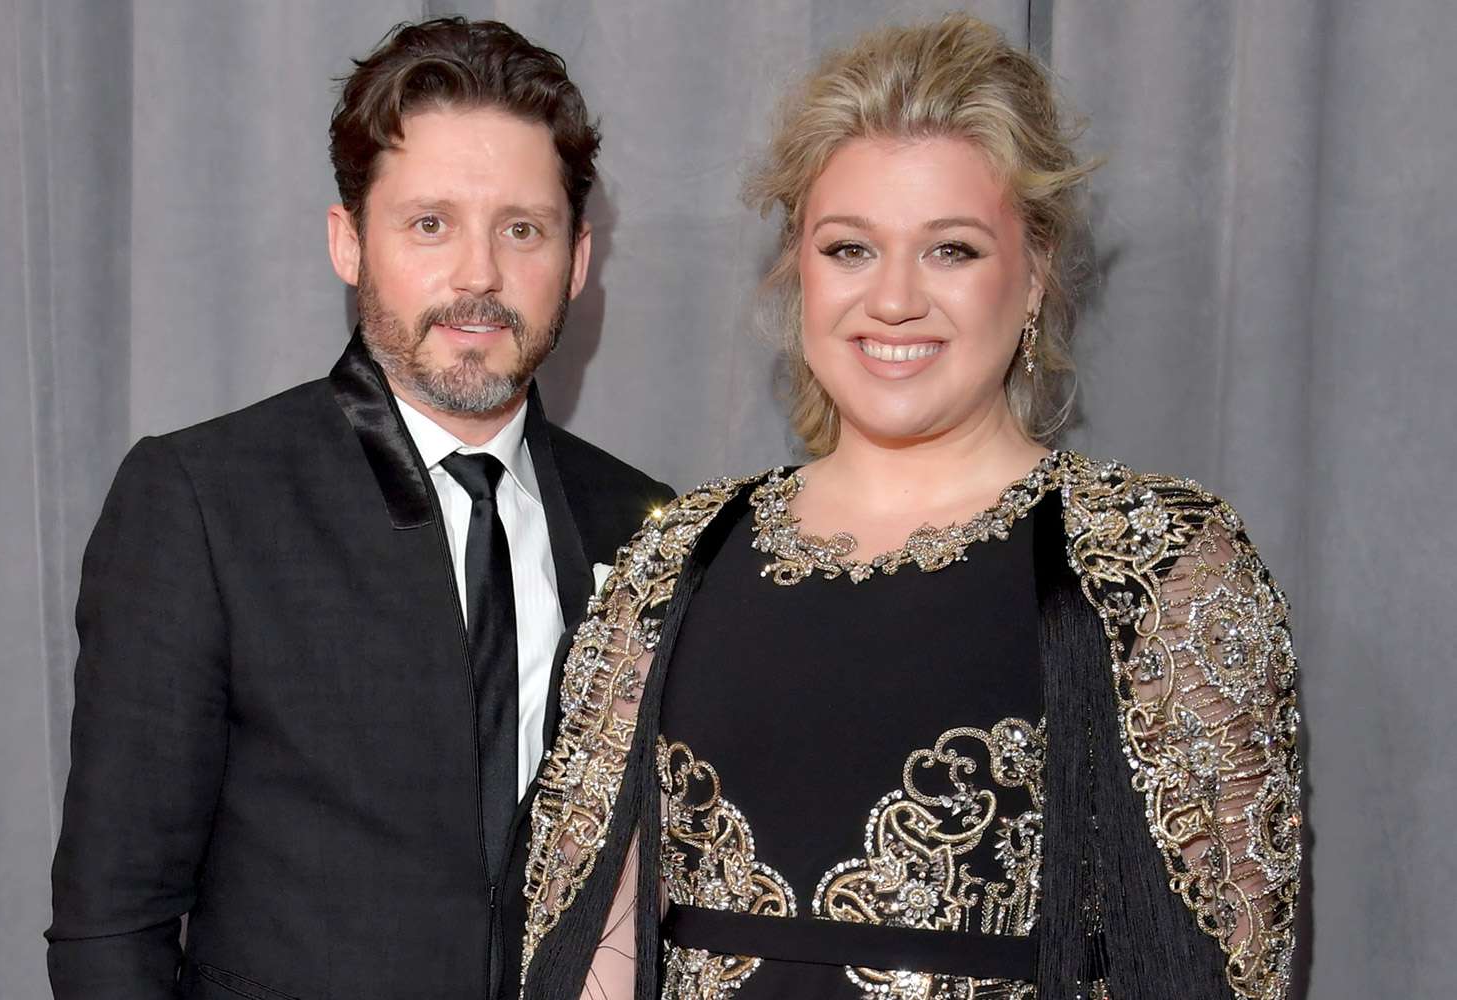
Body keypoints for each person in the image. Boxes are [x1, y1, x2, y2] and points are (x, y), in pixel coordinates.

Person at [519, 14, 1301, 1000]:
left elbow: (1217, 968)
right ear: (799, 268)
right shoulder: (674, 558)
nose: (892, 299)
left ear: (1036, 275)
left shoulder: (1153, 563)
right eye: (850, 248)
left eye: (952, 251)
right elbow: (598, 939)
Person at [45, 17, 671, 1000]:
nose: (478, 276)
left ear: (578, 257)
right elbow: (107, 929)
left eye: (523, 229)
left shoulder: (646, 528)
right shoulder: (204, 502)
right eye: (430, 224)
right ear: (348, 241)